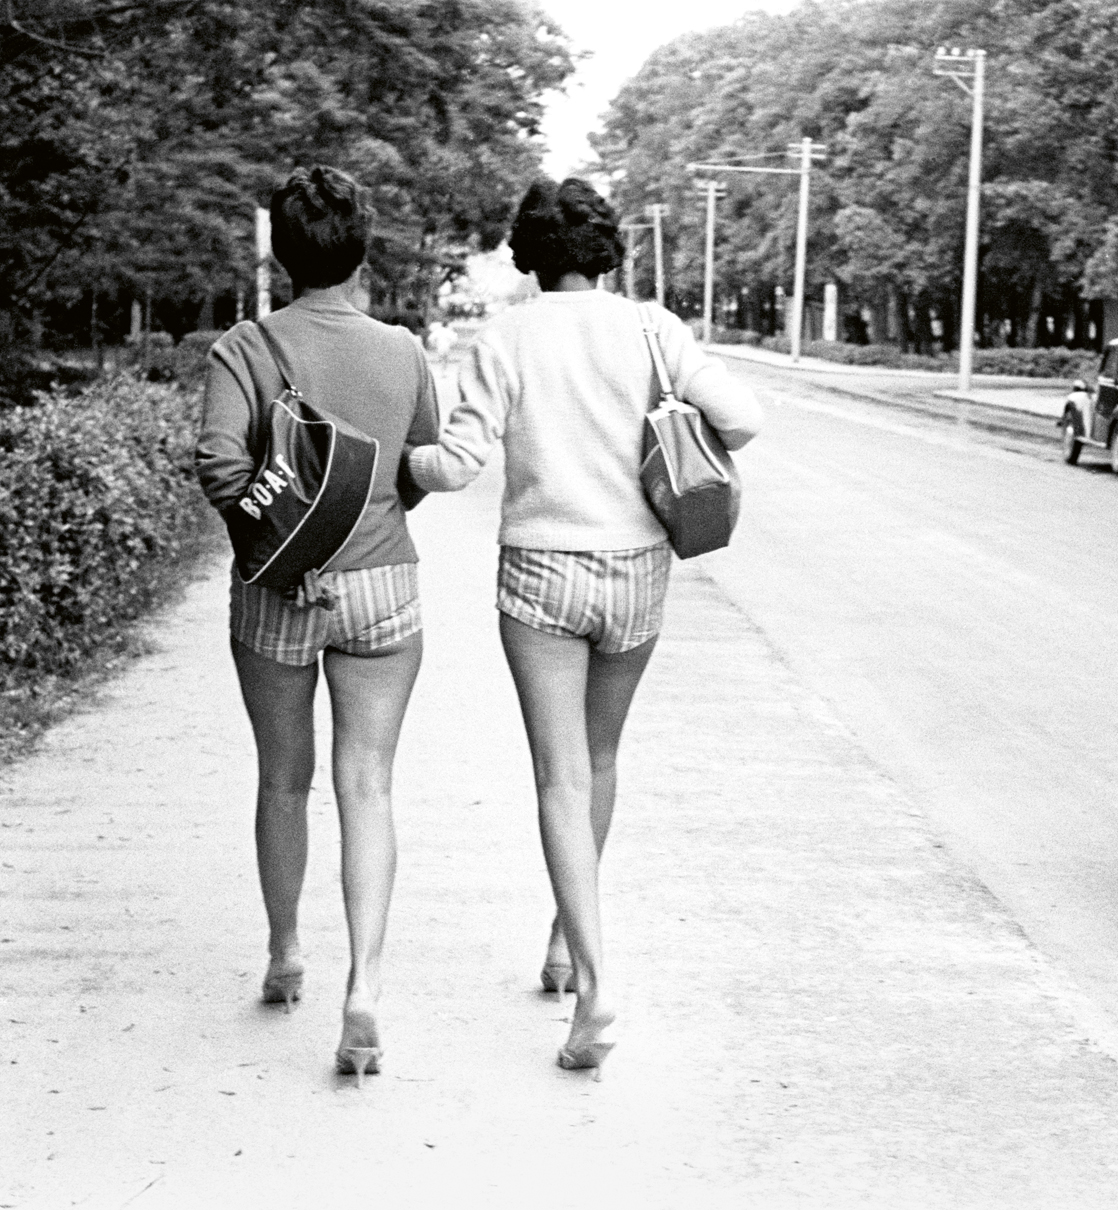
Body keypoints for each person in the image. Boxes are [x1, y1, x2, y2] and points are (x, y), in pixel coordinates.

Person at [404, 178, 763, 1073]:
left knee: (559, 778)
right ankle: (565, 944)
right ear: (607, 249)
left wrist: (394, 461)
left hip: (540, 573)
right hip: (638, 572)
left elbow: (455, 465)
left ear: (527, 252)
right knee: (600, 764)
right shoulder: (654, 329)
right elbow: (745, 420)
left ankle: (596, 983)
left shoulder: (507, 336)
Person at [195, 166, 439, 1080]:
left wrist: (284, 549)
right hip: (383, 587)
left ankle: (287, 951)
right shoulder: (404, 350)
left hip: (275, 594)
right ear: (361, 249)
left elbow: (221, 467)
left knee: (284, 780)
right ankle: (365, 985)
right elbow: (416, 466)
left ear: (279, 253)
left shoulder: (244, 348)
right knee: (368, 784)